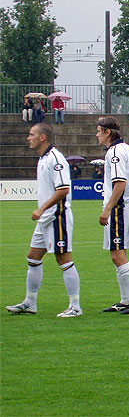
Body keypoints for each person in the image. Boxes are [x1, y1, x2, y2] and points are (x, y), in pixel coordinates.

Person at [5, 123, 82, 317]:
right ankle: (30, 302)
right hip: (45, 219)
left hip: (57, 216)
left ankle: (75, 306)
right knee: (33, 257)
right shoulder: (43, 159)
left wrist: (42, 208)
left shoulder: (56, 158)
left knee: (63, 259)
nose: (28, 138)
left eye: (31, 134)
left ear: (42, 137)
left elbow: (63, 189)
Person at [96, 116, 129, 314]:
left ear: (108, 132)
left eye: (99, 131)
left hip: (119, 209)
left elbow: (120, 182)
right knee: (118, 254)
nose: (97, 135)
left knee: (118, 255)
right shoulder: (124, 148)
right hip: (123, 208)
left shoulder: (115, 152)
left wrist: (108, 208)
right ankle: (126, 300)